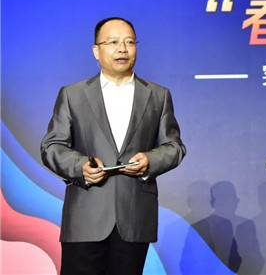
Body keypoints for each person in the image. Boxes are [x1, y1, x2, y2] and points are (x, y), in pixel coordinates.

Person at [41, 17, 186, 275]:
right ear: (96, 51)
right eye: (113, 42)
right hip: (85, 217)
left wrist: (149, 162)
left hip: (134, 217)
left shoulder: (157, 95)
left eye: (129, 42)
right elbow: (52, 145)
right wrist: (80, 166)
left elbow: (174, 146)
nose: (122, 49)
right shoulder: (72, 94)